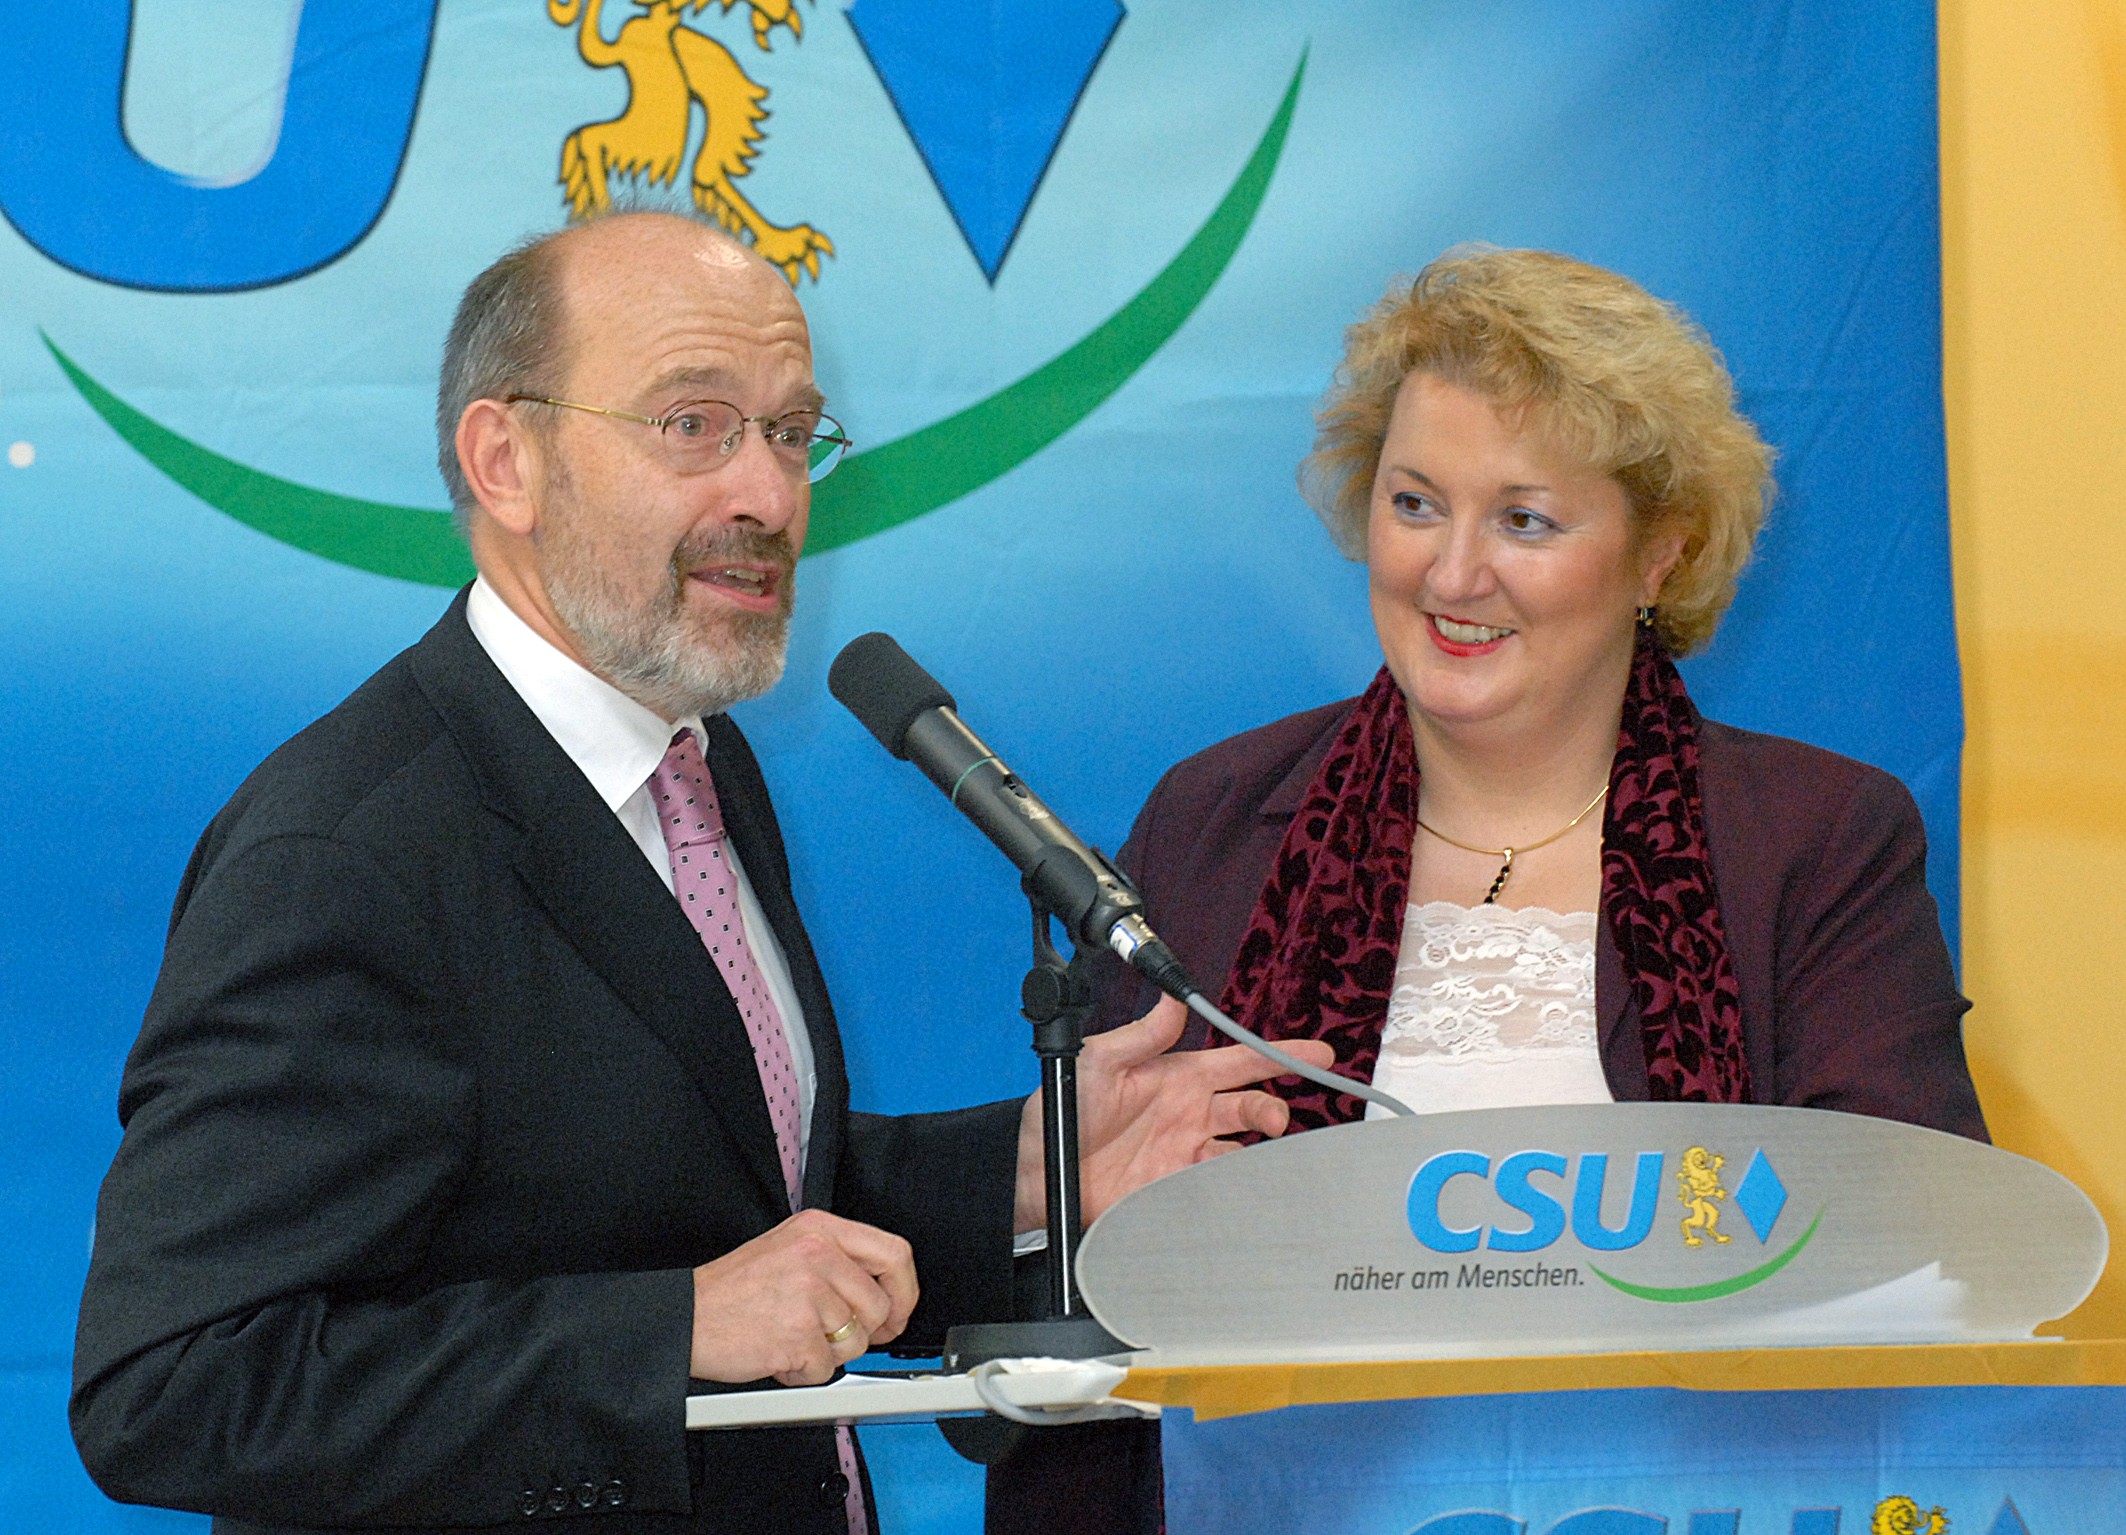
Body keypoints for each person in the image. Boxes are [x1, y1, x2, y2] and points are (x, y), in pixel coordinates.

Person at [69, 211, 1332, 1535]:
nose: (770, 497)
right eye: (693, 425)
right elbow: (173, 1384)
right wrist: (673, 1330)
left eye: (789, 432)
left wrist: (1024, 1169)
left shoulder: (695, 754)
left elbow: (702, 1181)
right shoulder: (346, 855)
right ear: (506, 461)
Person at [985, 247, 1985, 1532]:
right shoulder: (1215, 815)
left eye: (1524, 520)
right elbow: (1088, 1278)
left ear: (1658, 554)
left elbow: (1916, 1249)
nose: (1451, 575)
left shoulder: (1814, 838)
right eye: (1414, 503)